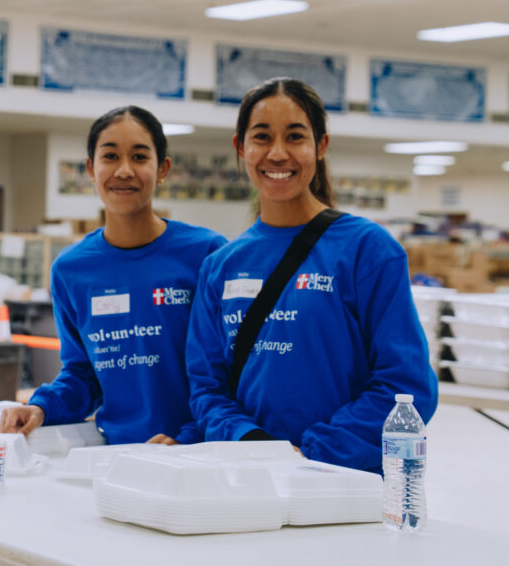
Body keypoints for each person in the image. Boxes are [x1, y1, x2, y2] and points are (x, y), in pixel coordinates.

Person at [185, 77, 438, 473]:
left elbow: (406, 385)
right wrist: (252, 443)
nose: (278, 153)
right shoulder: (221, 266)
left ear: (320, 147)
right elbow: (206, 388)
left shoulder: (367, 250)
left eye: (296, 137)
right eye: (262, 137)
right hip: (249, 480)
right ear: (240, 148)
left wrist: (313, 454)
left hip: (343, 482)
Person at [0, 105, 227, 445]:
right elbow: (82, 375)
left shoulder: (206, 253)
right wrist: (41, 408)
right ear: (91, 168)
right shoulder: (71, 269)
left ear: (162, 168)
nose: (123, 171)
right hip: (116, 455)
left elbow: (229, 370)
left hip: (199, 451)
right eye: (110, 157)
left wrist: (191, 439)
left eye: (138, 157)